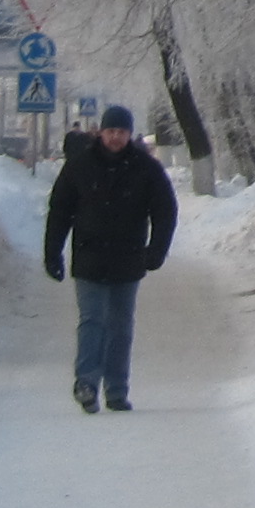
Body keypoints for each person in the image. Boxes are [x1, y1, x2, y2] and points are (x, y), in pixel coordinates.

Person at [41, 104, 177, 412]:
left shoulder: (145, 167)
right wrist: (52, 252)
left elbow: (165, 210)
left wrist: (156, 250)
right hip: (89, 257)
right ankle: (86, 383)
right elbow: (60, 210)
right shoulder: (80, 165)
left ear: (130, 134)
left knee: (120, 326)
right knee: (92, 320)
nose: (116, 137)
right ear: (101, 132)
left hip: (128, 259)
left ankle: (117, 389)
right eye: (111, 131)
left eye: (122, 132)